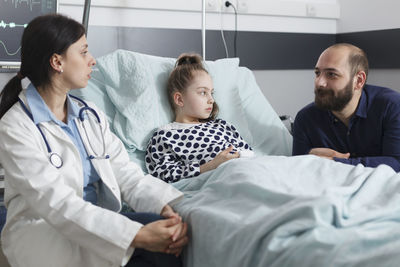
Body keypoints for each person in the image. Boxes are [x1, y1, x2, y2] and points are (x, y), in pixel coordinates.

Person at [0, 14, 188, 267]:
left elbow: (126, 174)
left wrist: (166, 207)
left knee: (170, 244)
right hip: (45, 232)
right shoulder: (15, 125)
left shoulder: (89, 115)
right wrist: (136, 234)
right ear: (57, 62)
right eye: (84, 52)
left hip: (98, 224)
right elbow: (56, 203)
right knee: (152, 253)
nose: (92, 60)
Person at [145, 54, 254, 183]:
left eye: (211, 93)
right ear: (179, 99)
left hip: (248, 171)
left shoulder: (222, 126)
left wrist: (239, 156)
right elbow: (162, 175)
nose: (211, 100)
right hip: (221, 181)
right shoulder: (165, 136)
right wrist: (210, 166)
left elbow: (250, 153)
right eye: (203, 92)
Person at [292, 43, 400, 172]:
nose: (319, 82)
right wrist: (309, 157)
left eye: (331, 74)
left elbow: (396, 162)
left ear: (359, 81)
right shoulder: (305, 119)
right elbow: (297, 169)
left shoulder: (392, 106)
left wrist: (335, 162)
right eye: (317, 73)